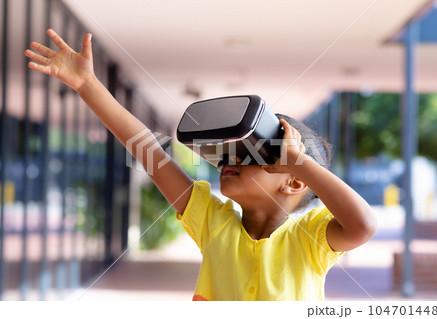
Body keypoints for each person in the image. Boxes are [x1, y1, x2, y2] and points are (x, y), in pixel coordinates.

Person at [25, 29, 377, 301]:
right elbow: (151, 153)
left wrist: (297, 161)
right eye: (231, 152)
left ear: (295, 182)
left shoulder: (311, 238)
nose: (230, 160)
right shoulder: (214, 222)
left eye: (253, 155)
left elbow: (362, 225)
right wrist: (88, 86)